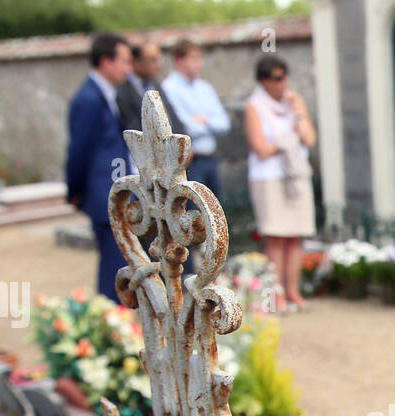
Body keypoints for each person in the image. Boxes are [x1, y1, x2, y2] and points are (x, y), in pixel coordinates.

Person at [245, 54, 317, 312]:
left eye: (285, 77)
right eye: (277, 78)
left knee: (295, 237)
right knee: (276, 237)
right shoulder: (254, 106)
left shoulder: (294, 103)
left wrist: (298, 111)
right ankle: (275, 294)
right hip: (269, 178)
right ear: (264, 81)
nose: (283, 83)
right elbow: (261, 149)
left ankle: (293, 290)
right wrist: (286, 144)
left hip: (295, 175)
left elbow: (309, 139)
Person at [66, 33, 133, 301]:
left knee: (121, 266)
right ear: (106, 61)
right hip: (104, 195)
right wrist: (75, 190)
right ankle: (111, 326)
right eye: (124, 62)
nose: (128, 68)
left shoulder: (106, 95)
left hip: (114, 193)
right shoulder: (88, 98)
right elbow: (79, 151)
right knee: (113, 271)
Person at [161, 39, 232, 200]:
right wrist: (207, 124)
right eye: (193, 58)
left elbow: (225, 125)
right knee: (194, 217)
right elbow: (185, 127)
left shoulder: (205, 88)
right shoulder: (169, 88)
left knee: (215, 213)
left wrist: (205, 120)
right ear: (179, 60)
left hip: (211, 158)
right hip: (190, 162)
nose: (199, 63)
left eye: (200, 58)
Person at [116, 42, 184, 133]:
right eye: (153, 60)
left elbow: (171, 115)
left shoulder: (155, 83)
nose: (160, 65)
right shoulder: (123, 91)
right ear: (136, 63)